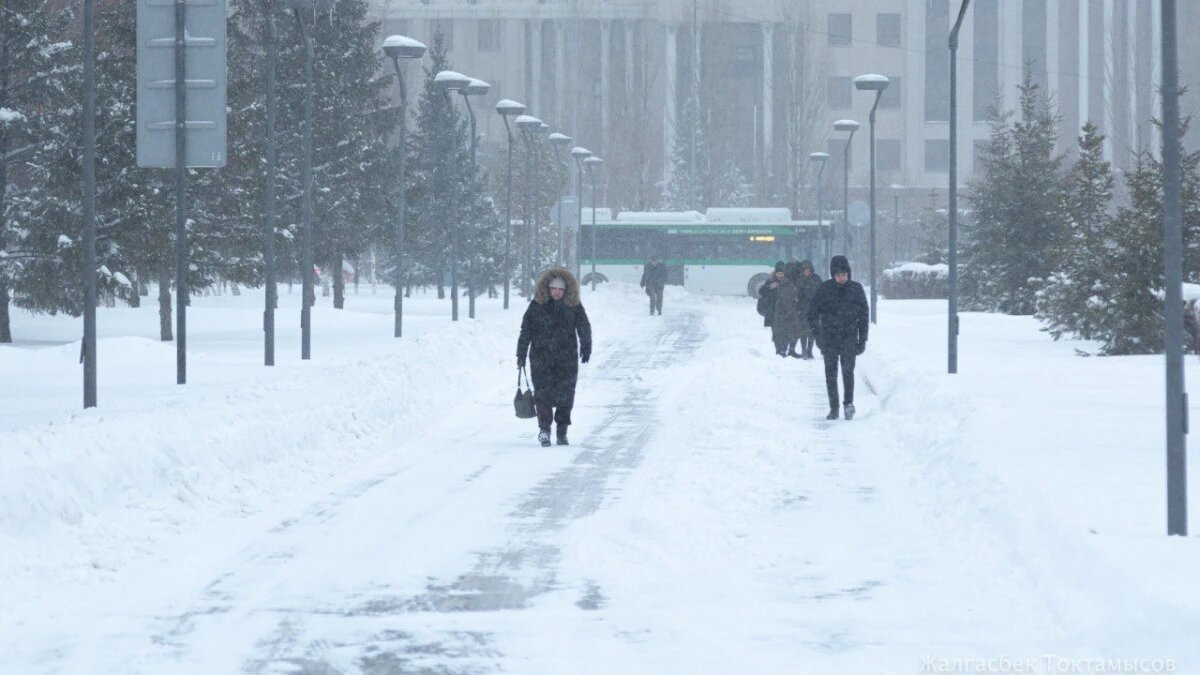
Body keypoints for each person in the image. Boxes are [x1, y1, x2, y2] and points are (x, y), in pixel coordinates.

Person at [517, 267, 593, 446]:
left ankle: (562, 430)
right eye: (554, 289)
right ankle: (544, 429)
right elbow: (526, 330)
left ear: (566, 290)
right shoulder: (536, 306)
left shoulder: (573, 306)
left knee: (566, 395)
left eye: (561, 289)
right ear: (547, 289)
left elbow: (584, 325)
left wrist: (586, 346)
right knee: (542, 394)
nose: (557, 293)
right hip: (540, 358)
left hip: (566, 359)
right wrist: (520, 353)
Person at [807, 255, 868, 420]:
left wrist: (862, 339)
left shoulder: (856, 289)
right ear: (833, 274)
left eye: (844, 274)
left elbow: (863, 316)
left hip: (849, 338)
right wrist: (818, 337)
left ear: (848, 273)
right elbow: (812, 314)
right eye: (838, 274)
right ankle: (834, 407)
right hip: (829, 339)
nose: (842, 277)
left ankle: (848, 404)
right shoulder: (824, 289)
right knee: (831, 374)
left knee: (848, 372)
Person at [769, 261, 804, 358]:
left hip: (787, 313)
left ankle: (782, 352)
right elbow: (764, 295)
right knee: (778, 334)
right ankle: (780, 352)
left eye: (782, 273)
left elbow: (794, 297)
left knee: (786, 333)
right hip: (775, 314)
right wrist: (770, 288)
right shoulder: (771, 283)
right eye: (778, 273)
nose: (780, 275)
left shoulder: (789, 285)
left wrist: (796, 305)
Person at [794, 260, 822, 359]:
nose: (806, 272)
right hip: (802, 309)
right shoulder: (799, 280)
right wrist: (797, 307)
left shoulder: (816, 279)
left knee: (812, 331)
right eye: (805, 270)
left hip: (814, 309)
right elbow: (796, 296)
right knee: (803, 331)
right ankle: (804, 350)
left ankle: (810, 350)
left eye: (808, 270)